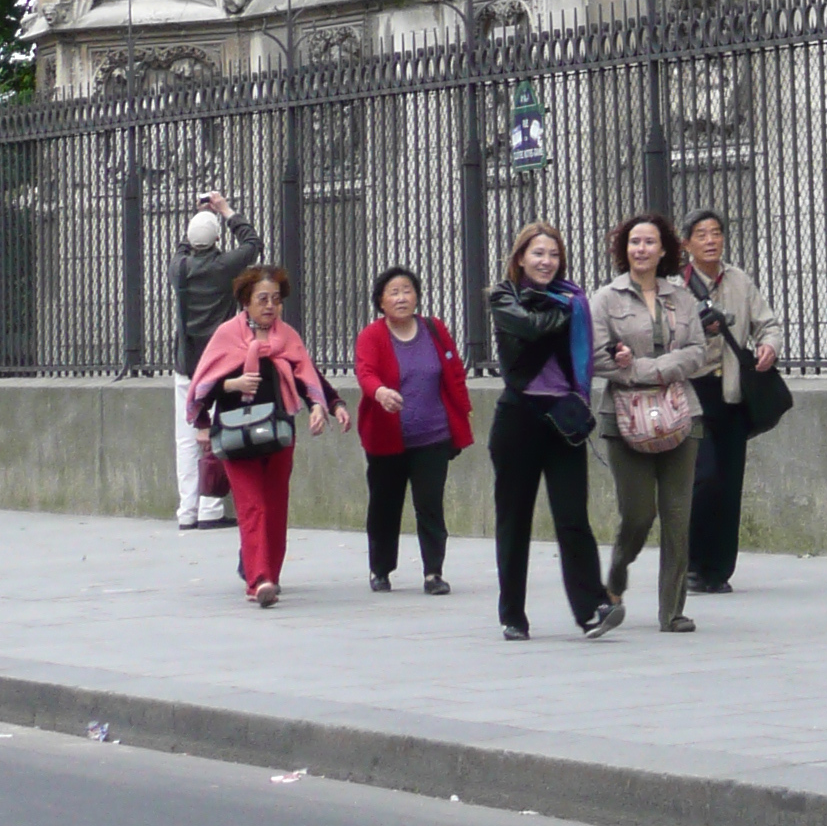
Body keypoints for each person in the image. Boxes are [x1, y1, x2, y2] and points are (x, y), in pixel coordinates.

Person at [488, 220, 621, 641]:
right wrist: (560, 312)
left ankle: (592, 608)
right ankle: (512, 614)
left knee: (572, 516)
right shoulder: (503, 296)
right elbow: (527, 327)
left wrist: (615, 353)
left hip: (563, 418)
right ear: (520, 257)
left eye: (553, 254)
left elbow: (585, 351)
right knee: (515, 519)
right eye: (538, 253)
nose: (546, 261)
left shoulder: (572, 299)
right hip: (519, 417)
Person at [187, 264, 348, 604]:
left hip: (278, 434)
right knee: (252, 506)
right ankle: (257, 580)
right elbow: (202, 386)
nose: (270, 306)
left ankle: (269, 575)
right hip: (235, 435)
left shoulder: (287, 337)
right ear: (246, 301)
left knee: (275, 507)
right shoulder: (227, 336)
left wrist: (326, 405)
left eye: (276, 299)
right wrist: (232, 383)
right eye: (262, 299)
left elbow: (308, 375)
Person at [591, 211, 713, 632]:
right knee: (638, 514)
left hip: (682, 413)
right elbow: (596, 358)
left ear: (664, 250)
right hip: (624, 417)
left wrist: (654, 368)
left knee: (678, 515)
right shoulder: (606, 298)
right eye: (633, 242)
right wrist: (639, 371)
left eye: (649, 242)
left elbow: (698, 351)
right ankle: (616, 579)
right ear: (624, 250)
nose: (640, 249)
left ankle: (672, 611)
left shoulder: (682, 298)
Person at [353, 266, 473, 596]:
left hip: (433, 437)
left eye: (407, 290)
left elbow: (455, 371)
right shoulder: (372, 336)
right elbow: (364, 372)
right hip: (386, 439)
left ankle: (433, 572)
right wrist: (379, 392)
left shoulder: (435, 329)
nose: (402, 297)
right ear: (381, 300)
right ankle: (381, 569)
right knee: (384, 506)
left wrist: (461, 415)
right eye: (394, 292)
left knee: (430, 504)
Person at [681, 209, 781, 595]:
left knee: (729, 482)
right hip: (694, 393)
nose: (711, 240)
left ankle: (719, 569)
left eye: (717, 233)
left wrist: (769, 345)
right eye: (702, 234)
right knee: (702, 479)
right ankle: (691, 565)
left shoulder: (740, 280)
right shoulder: (676, 286)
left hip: (734, 393)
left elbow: (767, 323)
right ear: (687, 243)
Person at [170, 192, 259, 530]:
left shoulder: (178, 267)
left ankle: (187, 510)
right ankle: (211, 507)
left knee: (186, 436)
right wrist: (224, 210)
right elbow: (252, 243)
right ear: (218, 240)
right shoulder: (224, 268)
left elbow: (185, 246)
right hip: (219, 364)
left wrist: (199, 219)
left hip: (185, 363)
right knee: (219, 429)